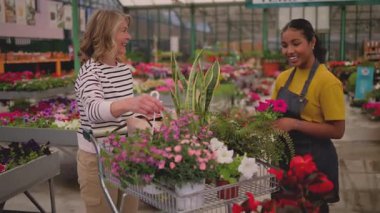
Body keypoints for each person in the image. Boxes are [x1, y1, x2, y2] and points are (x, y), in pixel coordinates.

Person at [75, 10, 164, 213]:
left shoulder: (123, 71)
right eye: (123, 30)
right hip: (97, 160)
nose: (129, 37)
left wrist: (153, 116)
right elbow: (93, 111)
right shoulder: (90, 71)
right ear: (106, 34)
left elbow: (125, 116)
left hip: (126, 154)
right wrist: (131, 103)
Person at [271, 18, 345, 212]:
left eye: (296, 43)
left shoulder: (327, 82)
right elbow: (272, 114)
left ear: (312, 42)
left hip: (314, 164)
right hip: (285, 159)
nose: (289, 51)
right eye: (285, 45)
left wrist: (295, 124)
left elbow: (338, 130)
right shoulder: (283, 78)